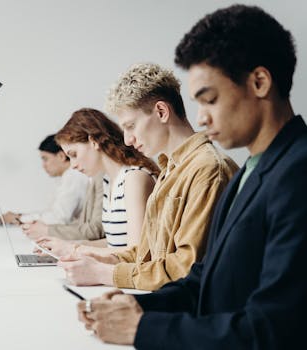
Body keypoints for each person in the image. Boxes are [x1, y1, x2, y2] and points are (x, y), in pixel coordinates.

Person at [77, 5, 307, 349]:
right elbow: (203, 281)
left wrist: (142, 330)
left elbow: (274, 328)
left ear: (259, 82)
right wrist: (137, 307)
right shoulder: (252, 170)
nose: (200, 119)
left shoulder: (297, 174)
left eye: (210, 100)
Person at [57, 62, 238, 290]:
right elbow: (149, 252)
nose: (127, 140)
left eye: (131, 126)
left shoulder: (207, 170)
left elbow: (186, 268)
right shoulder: (170, 168)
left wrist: (106, 273)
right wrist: (101, 258)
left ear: (161, 112)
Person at [35, 108, 160, 258]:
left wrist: (75, 250)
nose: (72, 165)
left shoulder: (134, 178)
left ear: (93, 142)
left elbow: (137, 252)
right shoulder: (108, 181)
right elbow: (115, 243)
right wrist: (66, 246)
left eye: (74, 155)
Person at [0, 134, 88, 225]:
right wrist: (21, 217)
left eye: (45, 159)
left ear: (61, 156)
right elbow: (54, 213)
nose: (43, 165)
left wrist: (20, 218)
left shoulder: (74, 177)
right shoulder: (68, 177)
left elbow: (59, 218)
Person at [21, 173, 105, 241]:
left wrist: (47, 230)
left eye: (74, 155)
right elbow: (82, 223)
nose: (73, 165)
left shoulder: (78, 178)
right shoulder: (92, 178)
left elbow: (95, 230)